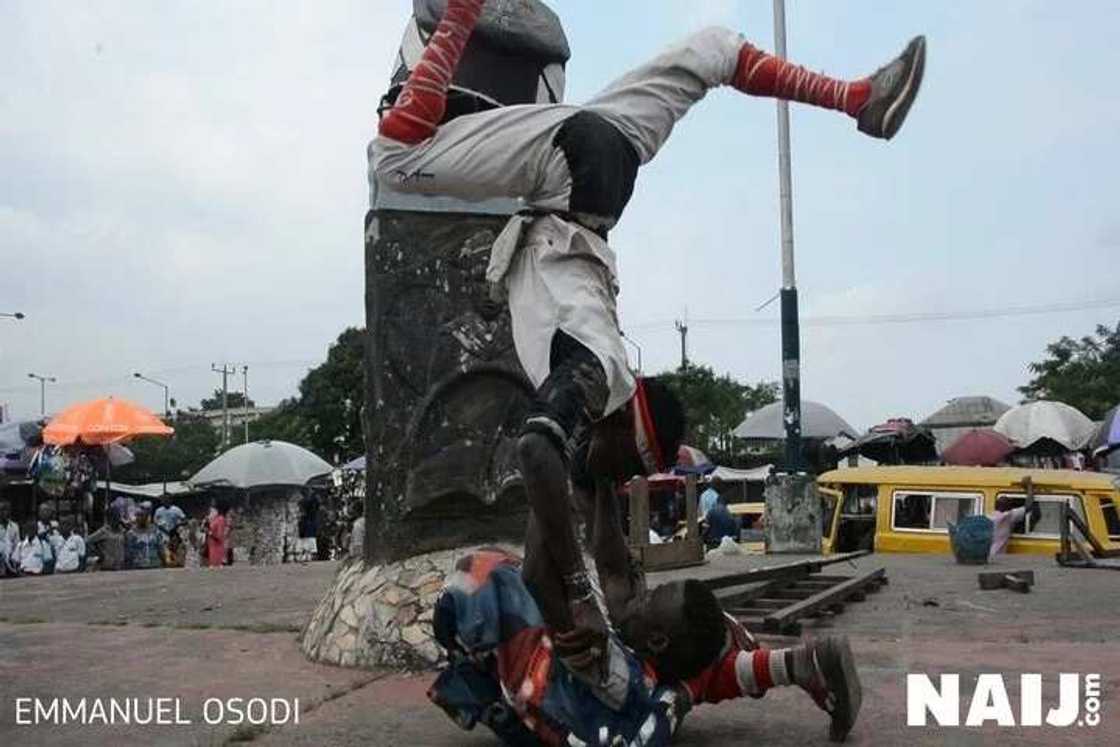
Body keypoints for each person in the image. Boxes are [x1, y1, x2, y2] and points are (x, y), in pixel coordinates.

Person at [372, 0, 925, 667]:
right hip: (565, 174)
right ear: (627, 427)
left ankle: (858, 99)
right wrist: (583, 597)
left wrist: (568, 602)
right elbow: (536, 453)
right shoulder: (600, 369)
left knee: (713, 50)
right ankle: (463, 9)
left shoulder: (593, 439)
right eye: (631, 466)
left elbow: (561, 528)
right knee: (395, 154)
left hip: (605, 159)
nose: (621, 479)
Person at [430, 548, 862, 745]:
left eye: (649, 602)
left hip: (602, 707)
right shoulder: (677, 638)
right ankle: (793, 664)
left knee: (488, 570)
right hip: (671, 673)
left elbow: (538, 566)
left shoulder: (615, 665)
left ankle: (787, 666)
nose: (642, 600)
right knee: (713, 640)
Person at [988, 493, 1036, 560]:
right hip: (997, 557)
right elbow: (1029, 506)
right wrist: (1029, 486)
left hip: (986, 555)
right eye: (1009, 505)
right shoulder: (1008, 516)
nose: (1011, 507)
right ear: (1007, 507)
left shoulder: (989, 517)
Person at [125, 504, 162, 570]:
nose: (139, 518)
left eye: (142, 515)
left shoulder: (155, 531)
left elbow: (161, 549)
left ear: (147, 516)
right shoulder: (131, 534)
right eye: (138, 515)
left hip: (155, 566)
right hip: (138, 567)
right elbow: (128, 554)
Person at [154, 495, 187, 567]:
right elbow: (155, 522)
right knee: (164, 553)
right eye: (163, 500)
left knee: (174, 553)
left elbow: (185, 520)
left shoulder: (176, 509)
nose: (164, 501)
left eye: (166, 499)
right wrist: (162, 528)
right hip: (162, 536)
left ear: (170, 500)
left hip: (173, 536)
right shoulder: (158, 510)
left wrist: (177, 526)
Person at [206, 500, 231, 568]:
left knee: (216, 561)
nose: (210, 514)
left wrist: (211, 534)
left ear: (216, 511)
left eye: (211, 512)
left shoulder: (220, 519)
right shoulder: (213, 520)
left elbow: (219, 534)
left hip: (217, 543)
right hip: (212, 543)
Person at [295, 492, 319, 563]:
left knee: (306, 538)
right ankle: (307, 555)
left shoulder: (306, 503)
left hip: (306, 525)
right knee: (309, 537)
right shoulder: (313, 504)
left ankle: (305, 555)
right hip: (309, 525)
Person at [0, 500, 20, 576]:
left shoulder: (14, 526)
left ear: (9, 511)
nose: (2, 512)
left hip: (11, 558)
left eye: (5, 510)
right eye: (1, 510)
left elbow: (17, 545)